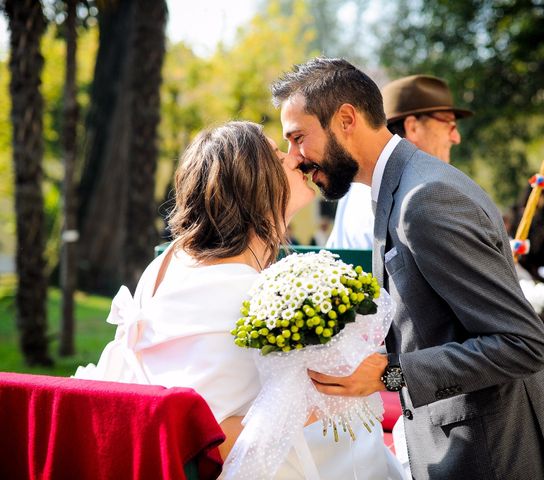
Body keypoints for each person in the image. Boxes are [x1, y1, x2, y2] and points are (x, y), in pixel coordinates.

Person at [272, 57, 544, 480]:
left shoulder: (424, 198)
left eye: (298, 138)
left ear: (346, 118)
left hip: (493, 457)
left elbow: (523, 343)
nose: (295, 158)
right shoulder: (397, 188)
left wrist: (391, 373)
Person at [75, 121, 403, 479]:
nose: (296, 159)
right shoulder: (253, 295)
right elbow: (232, 429)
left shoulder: (165, 263)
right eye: (280, 156)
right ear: (255, 184)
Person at [326, 74, 472, 249]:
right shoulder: (420, 194)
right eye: (450, 125)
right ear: (413, 128)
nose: (456, 138)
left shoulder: (356, 188)